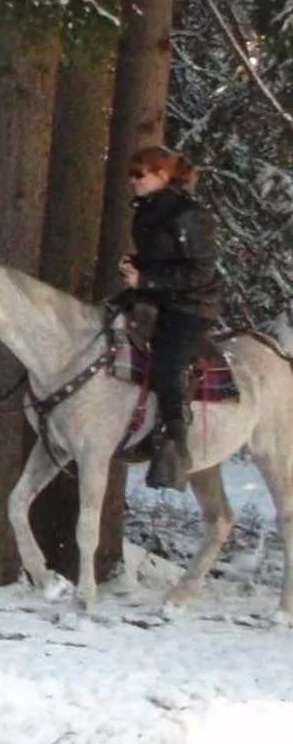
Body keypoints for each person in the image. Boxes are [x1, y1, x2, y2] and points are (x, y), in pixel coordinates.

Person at [120, 144, 220, 491]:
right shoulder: (147, 212)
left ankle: (176, 447)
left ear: (162, 176)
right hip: (154, 298)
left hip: (191, 307)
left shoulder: (189, 215)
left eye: (139, 175)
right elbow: (162, 259)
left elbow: (201, 272)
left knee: (167, 363)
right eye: (131, 176)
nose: (133, 182)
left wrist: (146, 279)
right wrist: (136, 267)